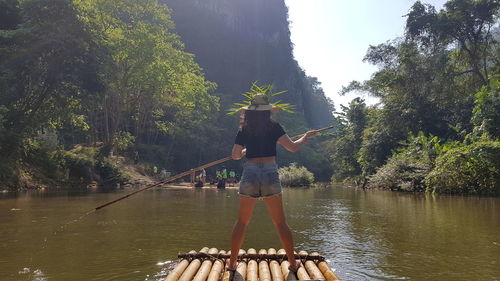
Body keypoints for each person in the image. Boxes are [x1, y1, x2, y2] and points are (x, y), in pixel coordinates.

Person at [227, 93, 317, 277]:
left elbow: (235, 155)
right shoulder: (275, 127)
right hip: (269, 171)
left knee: (242, 221)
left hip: (250, 171)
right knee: (280, 222)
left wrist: (245, 150)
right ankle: (293, 264)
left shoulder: (244, 129)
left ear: (250, 112)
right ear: (268, 111)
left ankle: (232, 264)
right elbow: (292, 147)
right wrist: (305, 138)